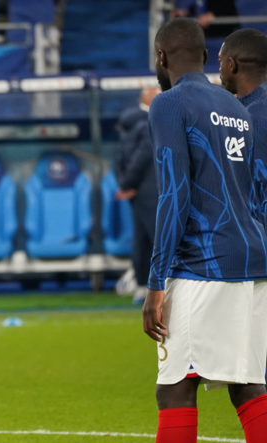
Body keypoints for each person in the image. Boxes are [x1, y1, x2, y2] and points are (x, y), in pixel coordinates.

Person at [143, 18, 267, 443]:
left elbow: (174, 195)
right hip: (251, 257)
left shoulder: (170, 103)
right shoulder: (237, 108)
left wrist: (156, 282)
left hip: (203, 262)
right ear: (203, 56)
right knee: (247, 383)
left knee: (175, 386)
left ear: (161, 57)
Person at [218, 28, 267, 390]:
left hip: (257, 255)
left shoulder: (238, 120)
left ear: (232, 65)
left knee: (255, 369)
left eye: (220, 60)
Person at [114, 87, 160, 304]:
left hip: (137, 192)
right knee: (158, 239)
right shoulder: (148, 123)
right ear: (150, 99)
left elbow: (120, 158)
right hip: (153, 190)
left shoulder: (128, 122)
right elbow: (142, 157)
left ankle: (142, 287)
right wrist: (128, 182)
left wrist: (125, 185)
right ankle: (159, 287)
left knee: (142, 240)